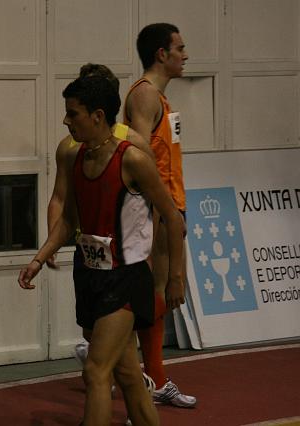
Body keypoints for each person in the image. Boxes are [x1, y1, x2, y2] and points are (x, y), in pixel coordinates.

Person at [19, 75, 185, 426]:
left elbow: (172, 218)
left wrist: (175, 278)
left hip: (126, 280)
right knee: (128, 378)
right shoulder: (72, 156)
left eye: (72, 114)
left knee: (95, 372)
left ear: (97, 115)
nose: (66, 121)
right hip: (90, 276)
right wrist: (39, 256)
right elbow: (67, 219)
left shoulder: (133, 159)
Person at [45, 64, 154, 391]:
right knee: (92, 336)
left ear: (100, 109)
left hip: (123, 263)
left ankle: (126, 387)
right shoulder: (69, 148)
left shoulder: (132, 147)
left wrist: (152, 260)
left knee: (111, 352)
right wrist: (52, 243)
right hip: (87, 255)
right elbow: (59, 199)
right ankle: (121, 384)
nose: (69, 119)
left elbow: (155, 207)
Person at [123, 23, 196, 408]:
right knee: (157, 293)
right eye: (179, 48)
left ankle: (150, 375)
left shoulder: (161, 100)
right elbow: (138, 154)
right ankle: (107, 350)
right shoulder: (145, 97)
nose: (186, 55)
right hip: (157, 208)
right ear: (160, 54)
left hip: (170, 205)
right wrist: (156, 209)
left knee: (163, 295)